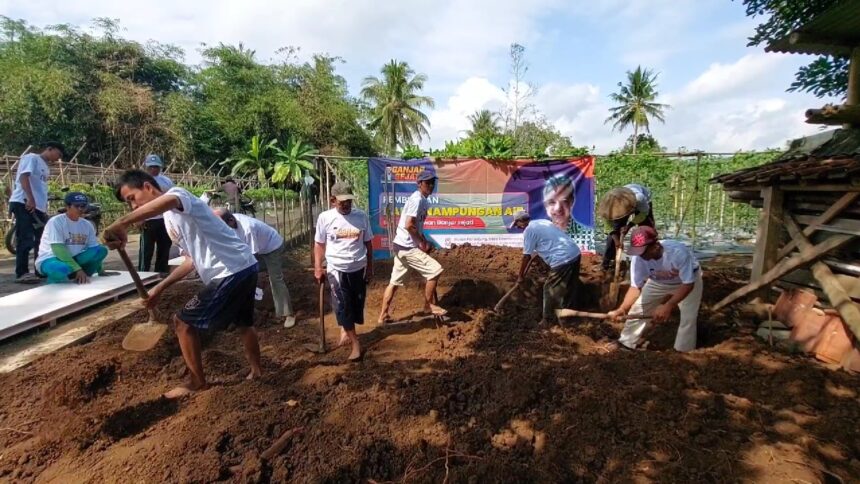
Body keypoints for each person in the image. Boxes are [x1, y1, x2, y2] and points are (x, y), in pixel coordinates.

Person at [105, 170, 262, 399]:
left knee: (182, 323)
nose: (132, 207)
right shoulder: (171, 221)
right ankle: (257, 371)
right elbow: (190, 261)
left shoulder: (179, 196)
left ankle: (197, 382)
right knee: (243, 323)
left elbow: (169, 200)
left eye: (132, 198)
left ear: (148, 187)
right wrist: (159, 288)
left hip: (230, 271)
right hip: (244, 266)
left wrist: (122, 223)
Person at [607, 226, 703, 352]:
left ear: (656, 246)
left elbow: (688, 284)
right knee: (638, 309)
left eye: (644, 251)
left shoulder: (677, 253)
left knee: (688, 318)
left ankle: (682, 352)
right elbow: (635, 287)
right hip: (658, 282)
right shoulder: (638, 258)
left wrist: (668, 305)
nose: (641, 255)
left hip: (686, 281)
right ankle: (626, 342)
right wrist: (622, 309)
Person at [378, 169, 447, 324]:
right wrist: (421, 243)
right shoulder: (417, 200)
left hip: (402, 246)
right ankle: (428, 306)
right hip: (407, 247)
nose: (430, 185)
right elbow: (409, 225)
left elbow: (416, 227)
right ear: (419, 184)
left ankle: (382, 315)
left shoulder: (423, 200)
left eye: (432, 183)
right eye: (427, 183)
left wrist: (423, 240)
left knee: (394, 283)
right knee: (435, 270)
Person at [314, 182, 373, 361]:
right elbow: (319, 244)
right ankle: (355, 344)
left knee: (355, 305)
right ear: (333, 200)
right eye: (342, 201)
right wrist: (318, 267)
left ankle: (345, 329)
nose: (346, 204)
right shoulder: (325, 218)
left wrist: (370, 267)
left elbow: (368, 243)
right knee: (342, 306)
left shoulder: (361, 216)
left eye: (349, 201)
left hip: (358, 269)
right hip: (336, 270)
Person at [217, 209, 296, 328]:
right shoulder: (229, 223)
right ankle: (239, 316)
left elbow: (251, 258)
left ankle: (288, 314)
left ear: (231, 220)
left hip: (272, 246)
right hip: (259, 246)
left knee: (275, 279)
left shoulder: (248, 228)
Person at [511, 210, 582, 326]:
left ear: (521, 222)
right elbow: (549, 240)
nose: (518, 227)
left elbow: (526, 257)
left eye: (517, 224)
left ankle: (547, 320)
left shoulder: (529, 231)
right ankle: (567, 318)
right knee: (570, 286)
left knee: (549, 289)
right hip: (575, 253)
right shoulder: (542, 222)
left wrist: (520, 276)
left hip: (562, 258)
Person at [9, 142, 65, 283]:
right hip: (24, 203)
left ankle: (39, 270)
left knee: (41, 240)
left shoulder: (45, 167)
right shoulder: (31, 158)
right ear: (50, 149)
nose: (58, 158)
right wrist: (30, 198)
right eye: (58, 154)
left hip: (38, 207)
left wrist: (42, 206)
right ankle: (22, 273)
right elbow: (23, 177)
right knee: (25, 238)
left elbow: (40, 187)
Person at [34, 192, 114, 284]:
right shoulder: (56, 222)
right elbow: (58, 249)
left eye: (83, 206)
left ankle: (82, 278)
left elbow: (94, 248)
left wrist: (100, 270)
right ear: (67, 207)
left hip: (72, 258)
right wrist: (77, 269)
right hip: (51, 259)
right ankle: (52, 288)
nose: (81, 209)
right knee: (61, 269)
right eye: (77, 206)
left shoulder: (87, 225)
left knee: (101, 250)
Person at [598, 184, 654, 271]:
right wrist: (616, 240)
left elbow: (643, 214)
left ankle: (648, 261)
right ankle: (606, 263)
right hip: (624, 204)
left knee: (645, 231)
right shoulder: (607, 208)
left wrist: (629, 225)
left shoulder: (640, 198)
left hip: (642, 207)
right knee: (613, 234)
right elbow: (609, 227)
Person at [139, 154, 175, 273]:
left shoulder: (166, 181)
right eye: (151, 167)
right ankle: (143, 274)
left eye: (156, 167)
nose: (154, 169)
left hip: (164, 219)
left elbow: (173, 198)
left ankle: (161, 273)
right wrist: (139, 218)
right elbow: (135, 201)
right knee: (146, 251)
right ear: (146, 167)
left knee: (164, 248)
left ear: (160, 167)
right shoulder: (140, 181)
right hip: (148, 220)